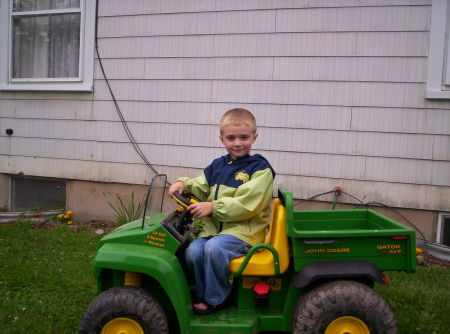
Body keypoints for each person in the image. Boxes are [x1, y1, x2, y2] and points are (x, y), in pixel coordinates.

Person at [168, 108, 275, 315]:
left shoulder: (260, 169)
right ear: (222, 139)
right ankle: (203, 293)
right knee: (194, 250)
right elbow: (201, 185)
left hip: (245, 232)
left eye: (244, 137)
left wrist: (213, 207)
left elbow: (247, 204)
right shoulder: (218, 165)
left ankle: (218, 298)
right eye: (231, 138)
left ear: (254, 137)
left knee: (214, 249)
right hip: (216, 230)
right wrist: (183, 184)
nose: (237, 143)